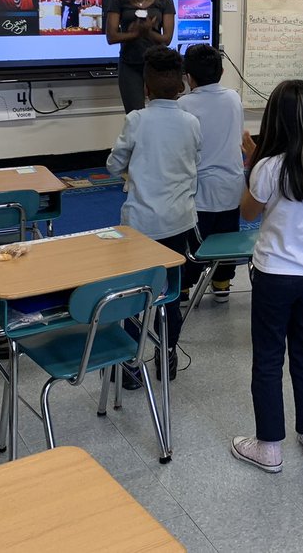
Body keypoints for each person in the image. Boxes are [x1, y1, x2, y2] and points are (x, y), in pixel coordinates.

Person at [231, 80, 303, 473]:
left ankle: (269, 447)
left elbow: (248, 213)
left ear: (274, 119)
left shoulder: (267, 166)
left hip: (275, 274)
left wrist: (251, 161)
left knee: (267, 359)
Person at [107, 46, 200, 382]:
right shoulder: (191, 122)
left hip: (141, 225)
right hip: (179, 221)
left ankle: (131, 364)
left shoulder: (136, 120)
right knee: (170, 294)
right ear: (181, 86)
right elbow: (194, 163)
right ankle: (168, 353)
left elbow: (114, 163)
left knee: (136, 294)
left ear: (144, 88)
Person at [177, 44, 245, 302]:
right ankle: (222, 283)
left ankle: (183, 288)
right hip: (232, 187)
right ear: (223, 70)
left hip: (198, 190)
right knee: (227, 235)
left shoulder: (183, 104)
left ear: (188, 77)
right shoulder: (233, 98)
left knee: (193, 240)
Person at [106, 0, 175, 113]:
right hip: (130, 65)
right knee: (135, 116)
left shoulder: (164, 1)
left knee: (162, 115)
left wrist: (148, 32)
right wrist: (137, 33)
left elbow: (167, 39)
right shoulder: (119, 1)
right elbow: (111, 37)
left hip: (158, 65)